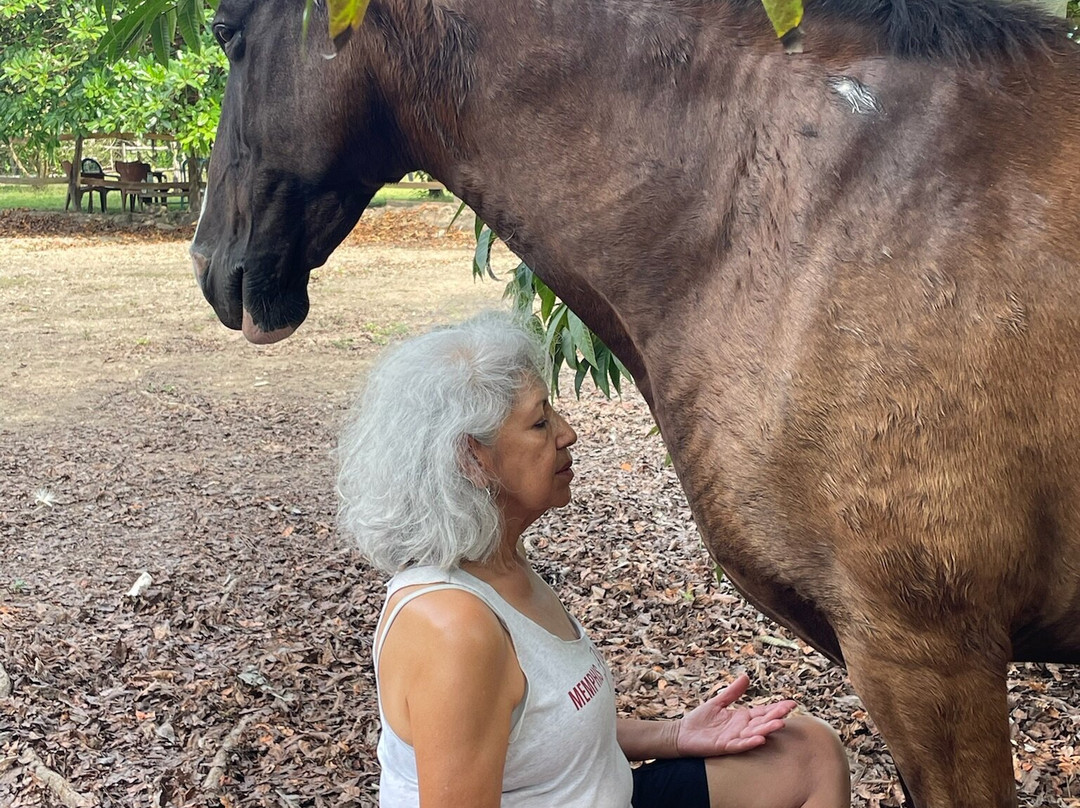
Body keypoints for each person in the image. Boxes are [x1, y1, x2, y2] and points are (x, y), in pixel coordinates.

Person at [337, 310, 851, 808]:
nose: (568, 433)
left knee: (808, 753)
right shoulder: (453, 629)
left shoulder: (498, 567)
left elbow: (545, 733)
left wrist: (676, 734)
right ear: (474, 459)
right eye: (540, 423)